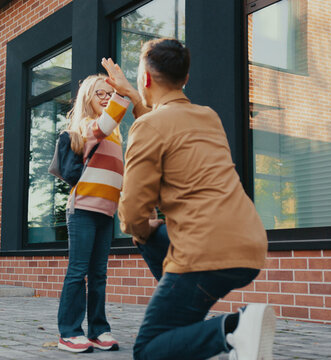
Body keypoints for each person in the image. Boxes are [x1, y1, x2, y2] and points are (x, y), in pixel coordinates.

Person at [101, 38, 276, 360]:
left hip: (205, 246)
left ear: (147, 78)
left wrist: (139, 229)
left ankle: (235, 329)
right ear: (185, 78)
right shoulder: (207, 116)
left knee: (150, 349)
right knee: (154, 239)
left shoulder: (149, 127)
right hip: (249, 243)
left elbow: (132, 210)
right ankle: (187, 318)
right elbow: (164, 122)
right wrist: (132, 94)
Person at [56, 74, 129, 353]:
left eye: (109, 94)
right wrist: (123, 93)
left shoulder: (114, 136)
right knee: (78, 272)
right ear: (88, 97)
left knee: (99, 275)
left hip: (106, 213)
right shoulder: (89, 127)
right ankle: (69, 332)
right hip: (83, 210)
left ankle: (98, 330)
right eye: (100, 93)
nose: (106, 98)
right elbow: (109, 119)